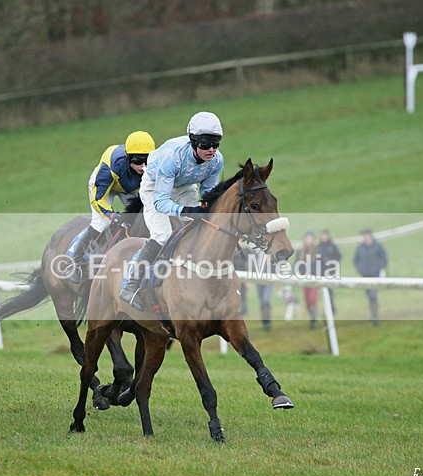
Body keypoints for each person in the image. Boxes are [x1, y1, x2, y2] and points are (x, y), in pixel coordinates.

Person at [119, 111, 224, 310]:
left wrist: (204, 209)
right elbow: (161, 203)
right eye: (205, 144)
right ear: (193, 142)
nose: (211, 150)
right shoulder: (172, 158)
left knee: (203, 225)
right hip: (154, 187)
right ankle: (130, 285)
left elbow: (208, 195)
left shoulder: (217, 161)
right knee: (162, 234)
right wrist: (187, 210)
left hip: (184, 187)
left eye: (216, 144)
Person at [68, 130, 156, 283]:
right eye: (137, 161)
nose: (143, 167)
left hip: (128, 188)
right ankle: (75, 262)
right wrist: (112, 215)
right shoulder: (111, 167)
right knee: (101, 223)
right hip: (106, 188)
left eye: (147, 160)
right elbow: (98, 200)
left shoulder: (154, 165)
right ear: (128, 158)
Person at [353, 228, 388, 325]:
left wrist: (378, 268)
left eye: (366, 235)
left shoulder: (377, 246)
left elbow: (384, 258)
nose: (365, 237)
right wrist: (360, 269)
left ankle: (375, 316)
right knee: (369, 295)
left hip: (375, 275)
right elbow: (356, 260)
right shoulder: (360, 247)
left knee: (373, 295)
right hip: (365, 275)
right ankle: (373, 314)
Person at [234, 247, 274, 331]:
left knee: (265, 300)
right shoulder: (255, 253)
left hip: (269, 281)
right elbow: (250, 265)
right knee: (261, 301)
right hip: (258, 281)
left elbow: (276, 266)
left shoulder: (271, 252)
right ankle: (264, 322)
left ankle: (267, 323)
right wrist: (250, 280)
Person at [294, 230, 321, 329]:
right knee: (307, 301)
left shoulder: (317, 251)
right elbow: (296, 264)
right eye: (307, 238)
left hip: (314, 280)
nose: (309, 240)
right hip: (304, 279)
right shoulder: (301, 251)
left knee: (312, 299)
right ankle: (312, 315)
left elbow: (320, 265)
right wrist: (299, 274)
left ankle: (313, 320)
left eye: (311, 238)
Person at [316, 228, 342, 314]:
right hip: (320, 273)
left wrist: (331, 261)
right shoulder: (318, 247)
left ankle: (331, 309)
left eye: (325, 235)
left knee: (329, 291)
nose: (323, 237)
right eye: (322, 235)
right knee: (322, 292)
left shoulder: (332, 246)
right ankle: (325, 309)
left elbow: (338, 257)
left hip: (330, 272)